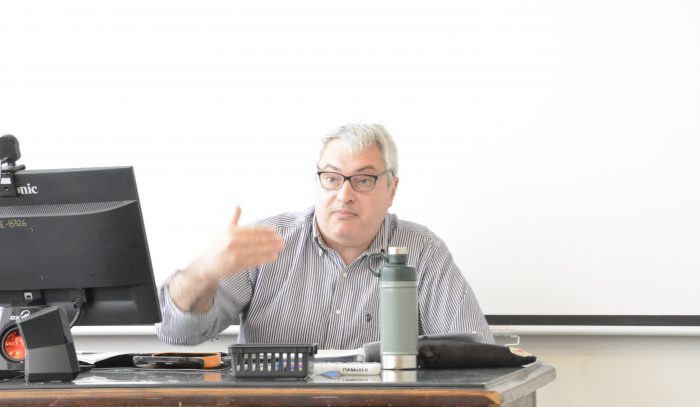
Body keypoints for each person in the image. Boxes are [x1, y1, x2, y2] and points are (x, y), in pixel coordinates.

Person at [156, 123, 494, 349]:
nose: (344, 195)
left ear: (391, 190)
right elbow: (175, 332)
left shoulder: (423, 252)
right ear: (317, 183)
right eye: (332, 178)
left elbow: (476, 356)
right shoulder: (267, 241)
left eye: (363, 180)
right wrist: (202, 272)